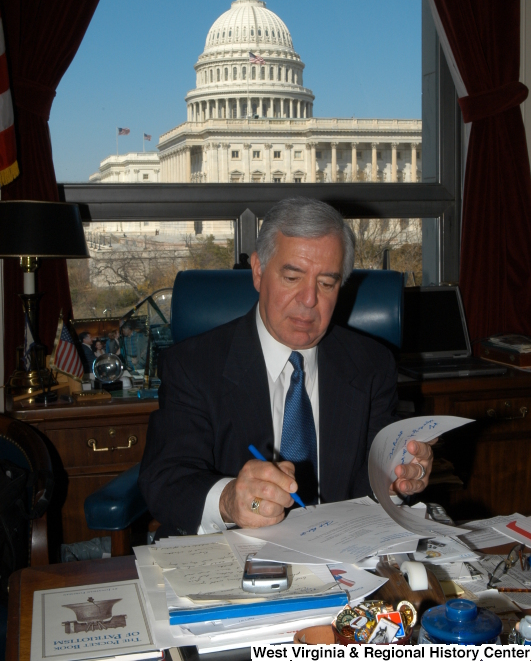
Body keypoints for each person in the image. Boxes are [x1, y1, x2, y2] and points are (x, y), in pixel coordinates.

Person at [139, 198, 434, 536]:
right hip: (238, 554)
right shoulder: (194, 365)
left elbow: (370, 476)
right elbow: (166, 479)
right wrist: (231, 500)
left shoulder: (371, 364)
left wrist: (395, 480)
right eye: (293, 277)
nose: (309, 300)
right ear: (259, 271)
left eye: (326, 283)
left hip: (341, 555)